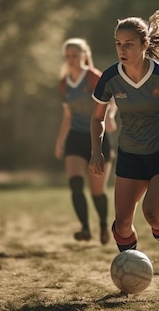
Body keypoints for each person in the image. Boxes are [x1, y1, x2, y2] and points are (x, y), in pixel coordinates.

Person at [89, 9, 159, 293]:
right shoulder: (110, 77)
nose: (122, 50)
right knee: (122, 225)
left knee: (152, 212)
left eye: (129, 44)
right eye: (118, 43)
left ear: (144, 45)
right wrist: (96, 151)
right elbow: (97, 118)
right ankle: (131, 273)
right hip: (131, 155)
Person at [54, 37, 116, 245]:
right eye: (68, 56)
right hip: (75, 137)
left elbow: (111, 100)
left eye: (75, 55)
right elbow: (68, 116)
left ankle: (103, 225)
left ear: (84, 56)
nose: (71, 59)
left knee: (97, 192)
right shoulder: (64, 84)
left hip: (96, 138)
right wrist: (60, 141)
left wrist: (109, 117)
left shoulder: (93, 77)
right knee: (75, 184)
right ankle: (85, 228)